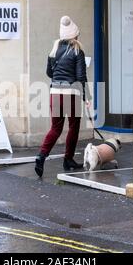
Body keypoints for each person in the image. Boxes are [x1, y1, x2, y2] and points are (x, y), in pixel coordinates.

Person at [35, 16, 90, 178]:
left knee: (55, 128)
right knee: (73, 127)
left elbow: (49, 73)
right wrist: (87, 97)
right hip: (71, 94)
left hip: (55, 93)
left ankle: (41, 156)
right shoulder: (77, 51)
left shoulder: (53, 51)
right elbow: (81, 76)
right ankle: (68, 159)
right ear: (75, 36)